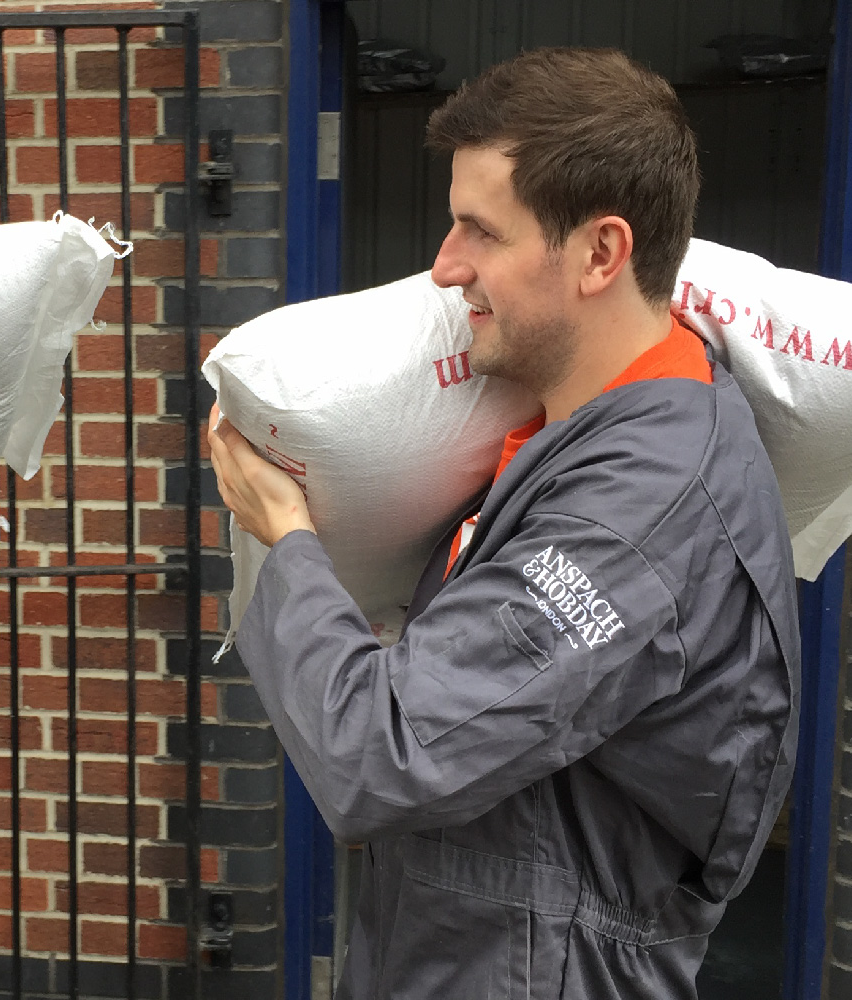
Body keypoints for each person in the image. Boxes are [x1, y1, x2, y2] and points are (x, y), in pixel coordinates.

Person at [208, 48, 799, 999]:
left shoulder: (634, 514)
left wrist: (287, 538)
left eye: (482, 231)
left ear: (603, 253)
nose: (446, 266)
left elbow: (380, 753)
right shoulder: (579, 429)